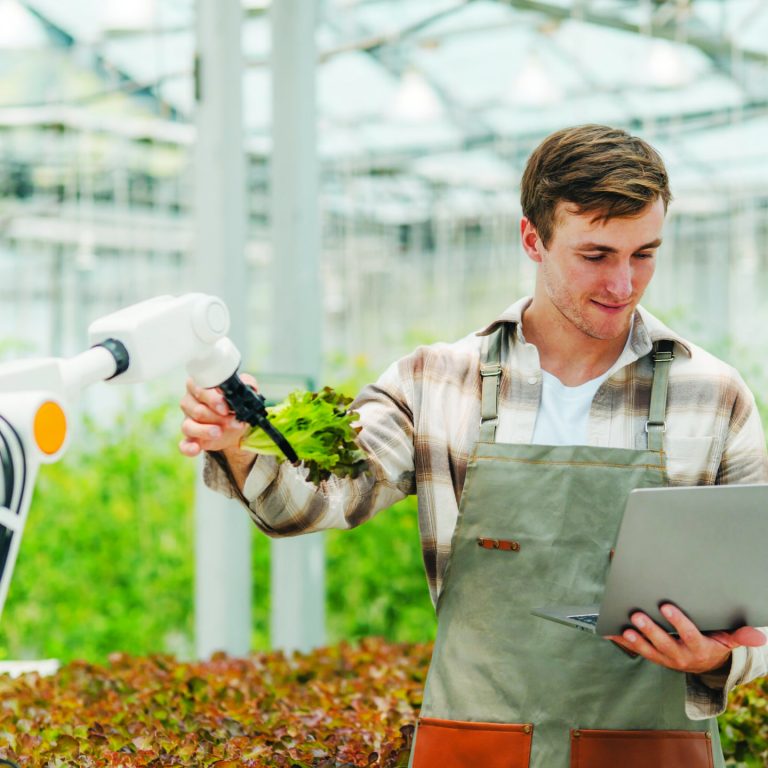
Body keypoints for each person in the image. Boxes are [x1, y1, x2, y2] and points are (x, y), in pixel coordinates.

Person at [179, 124, 768, 768]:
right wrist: (239, 444)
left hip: (649, 749)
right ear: (533, 240)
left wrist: (722, 656)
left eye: (645, 254)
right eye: (596, 255)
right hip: (475, 748)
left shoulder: (713, 395)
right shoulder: (436, 382)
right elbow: (311, 503)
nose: (624, 284)